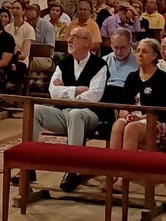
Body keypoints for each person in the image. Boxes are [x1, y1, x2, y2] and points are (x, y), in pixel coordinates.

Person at [28, 26, 108, 191]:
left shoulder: (99, 65)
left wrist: (65, 90)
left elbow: (94, 96)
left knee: (76, 113)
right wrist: (77, 90)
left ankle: (72, 170)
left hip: (89, 114)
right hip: (63, 113)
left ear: (87, 43)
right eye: (69, 36)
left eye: (74, 37)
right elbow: (53, 92)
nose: (69, 40)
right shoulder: (63, 63)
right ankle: (28, 167)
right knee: (35, 110)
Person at [108, 38, 166, 151]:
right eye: (138, 51)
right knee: (118, 125)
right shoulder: (132, 77)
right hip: (133, 118)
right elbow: (123, 106)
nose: (140, 55)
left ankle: (129, 162)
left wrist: (140, 117)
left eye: (145, 52)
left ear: (154, 55)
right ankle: (114, 162)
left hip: (153, 121)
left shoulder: (161, 77)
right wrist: (127, 115)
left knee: (131, 128)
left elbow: (161, 110)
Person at [102, 28, 138, 103]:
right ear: (111, 45)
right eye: (115, 47)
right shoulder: (104, 61)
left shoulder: (139, 62)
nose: (119, 52)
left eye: (123, 47)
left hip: (128, 99)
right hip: (106, 98)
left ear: (130, 44)